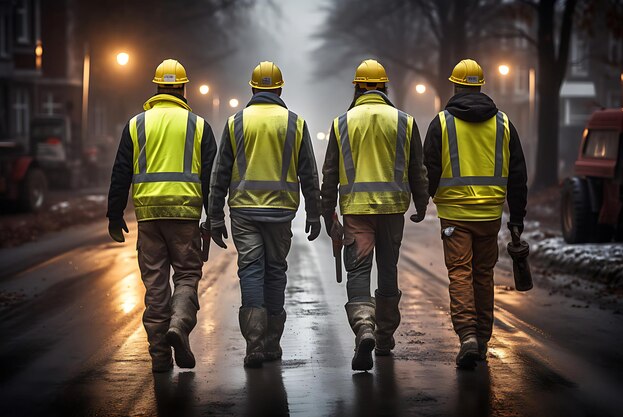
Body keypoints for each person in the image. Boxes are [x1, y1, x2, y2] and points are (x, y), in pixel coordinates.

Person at [208, 61, 321, 368]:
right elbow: (309, 172)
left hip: (243, 211)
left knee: (251, 270)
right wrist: (314, 213)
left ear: (253, 88)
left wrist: (215, 215)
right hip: (281, 211)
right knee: (275, 271)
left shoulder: (236, 122)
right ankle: (272, 342)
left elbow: (220, 173)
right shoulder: (295, 123)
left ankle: (254, 343)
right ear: (280, 89)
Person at [107, 59, 217, 372]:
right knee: (186, 275)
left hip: (148, 217)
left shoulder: (136, 124)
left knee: (155, 287)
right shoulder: (198, 125)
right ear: (184, 88)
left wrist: (114, 215)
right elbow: (212, 177)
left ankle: (158, 358)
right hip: (184, 216)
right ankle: (179, 326)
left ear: (156, 87)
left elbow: (120, 172)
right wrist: (214, 216)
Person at [320, 59, 430, 371]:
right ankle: (383, 337)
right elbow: (417, 170)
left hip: (356, 210)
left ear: (356, 87)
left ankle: (364, 328)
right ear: (384, 87)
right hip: (393, 209)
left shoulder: (342, 122)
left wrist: (329, 214)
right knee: (387, 269)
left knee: (357, 272)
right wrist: (421, 204)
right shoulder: (405, 122)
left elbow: (330, 172)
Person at [423, 59, 528, 369]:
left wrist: (421, 201)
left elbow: (429, 168)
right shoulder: (504, 123)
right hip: (489, 215)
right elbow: (517, 175)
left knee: (460, 273)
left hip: (454, 214)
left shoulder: (442, 122)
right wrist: (517, 218)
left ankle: (467, 335)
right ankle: (482, 340)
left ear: (455, 86)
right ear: (481, 86)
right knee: (483, 275)